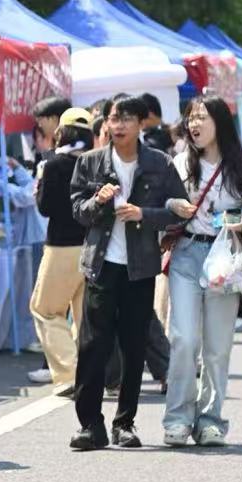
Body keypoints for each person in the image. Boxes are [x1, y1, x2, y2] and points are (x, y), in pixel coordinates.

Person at [68, 94, 185, 451]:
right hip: (101, 265)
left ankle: (125, 423)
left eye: (126, 118)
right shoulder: (90, 163)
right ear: (105, 124)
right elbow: (78, 211)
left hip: (140, 267)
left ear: (140, 123)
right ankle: (90, 424)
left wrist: (143, 214)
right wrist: (98, 201)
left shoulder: (159, 163)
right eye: (113, 118)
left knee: (134, 346)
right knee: (93, 346)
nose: (118, 125)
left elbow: (178, 211)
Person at [161, 95, 242, 447]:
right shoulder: (179, 163)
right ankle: (177, 419)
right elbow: (161, 203)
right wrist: (174, 205)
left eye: (201, 117)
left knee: (217, 348)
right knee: (184, 339)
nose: (194, 124)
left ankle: (210, 420)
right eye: (190, 118)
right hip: (187, 254)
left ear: (220, 122)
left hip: (226, 259)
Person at [30, 108, 93, 393]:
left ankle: (68, 374)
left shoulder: (53, 164)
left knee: (45, 309)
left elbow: (45, 208)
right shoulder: (96, 162)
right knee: (83, 317)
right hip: (92, 245)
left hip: (61, 247)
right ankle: (92, 374)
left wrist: (38, 188)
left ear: (62, 132)